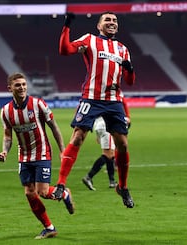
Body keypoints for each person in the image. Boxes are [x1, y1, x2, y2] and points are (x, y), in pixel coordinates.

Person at [53, 11, 136, 208]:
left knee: (122, 145)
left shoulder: (123, 49)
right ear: (99, 26)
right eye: (107, 20)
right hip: (91, 97)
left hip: (114, 100)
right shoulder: (89, 40)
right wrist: (67, 25)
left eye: (115, 20)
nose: (112, 22)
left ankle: (122, 187)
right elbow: (65, 50)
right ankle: (61, 183)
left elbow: (130, 82)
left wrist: (131, 70)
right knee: (78, 136)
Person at [0, 72, 74, 240]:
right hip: (23, 156)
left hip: (42, 153)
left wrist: (63, 150)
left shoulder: (38, 104)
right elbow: (8, 136)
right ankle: (49, 227)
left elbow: (54, 126)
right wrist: (5, 151)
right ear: (10, 88)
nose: (22, 87)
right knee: (29, 193)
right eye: (18, 85)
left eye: (24, 84)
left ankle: (64, 194)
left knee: (44, 192)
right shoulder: (5, 111)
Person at [82, 98, 131, 191]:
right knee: (108, 155)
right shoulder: (112, 97)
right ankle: (89, 177)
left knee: (111, 154)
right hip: (107, 126)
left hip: (99, 125)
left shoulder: (99, 96)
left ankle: (112, 181)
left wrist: (97, 134)